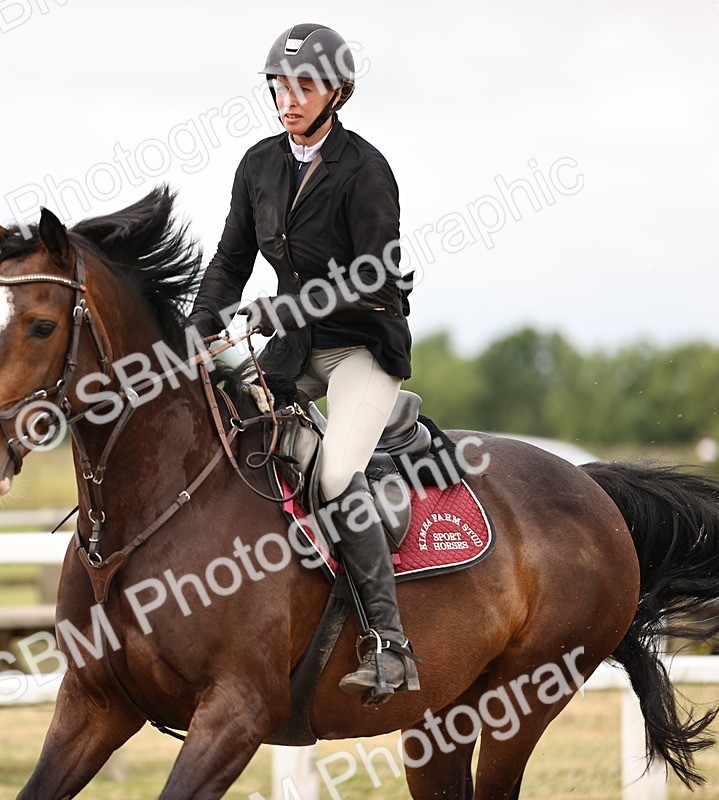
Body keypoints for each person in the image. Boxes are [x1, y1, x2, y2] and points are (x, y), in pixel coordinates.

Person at [188, 23, 417, 706]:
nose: (288, 98)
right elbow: (230, 261)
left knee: (337, 473)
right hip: (292, 352)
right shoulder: (259, 164)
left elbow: (377, 275)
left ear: (336, 92)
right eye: (279, 86)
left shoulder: (365, 169)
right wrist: (197, 327)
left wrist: (286, 309)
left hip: (359, 350)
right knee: (229, 440)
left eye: (304, 86)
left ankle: (391, 643)